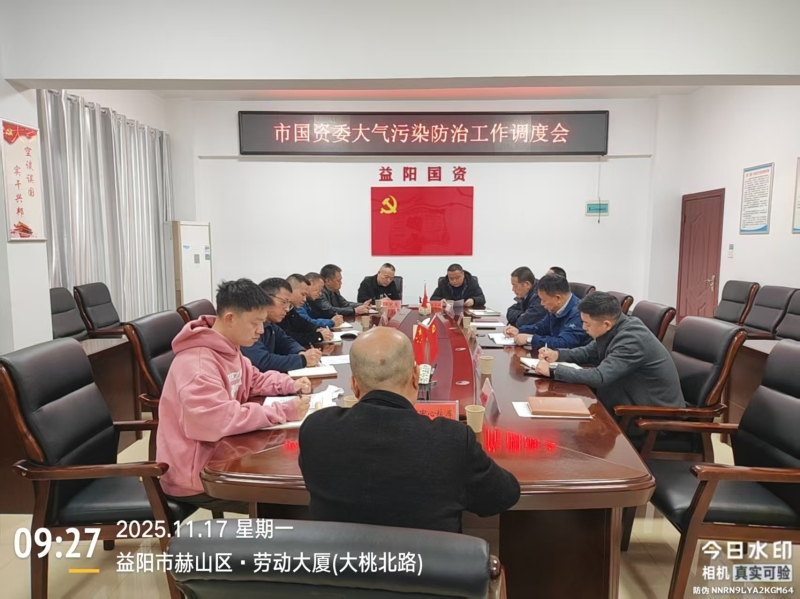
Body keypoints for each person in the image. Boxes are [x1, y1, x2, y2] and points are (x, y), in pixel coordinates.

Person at [299, 327, 520, 534]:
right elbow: (503, 496)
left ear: (354, 385)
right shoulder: (451, 440)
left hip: (337, 562)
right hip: (428, 563)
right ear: (416, 377)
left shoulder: (316, 429)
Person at [156, 279, 312, 513]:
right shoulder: (197, 364)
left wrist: (289, 383)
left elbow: (253, 379)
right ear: (230, 318)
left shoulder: (229, 347)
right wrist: (284, 410)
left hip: (226, 450)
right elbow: (217, 420)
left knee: (295, 474)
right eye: (255, 323)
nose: (261, 331)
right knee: (289, 502)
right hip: (197, 475)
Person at [535, 291, 685, 413]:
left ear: (606, 324)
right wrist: (557, 355)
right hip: (626, 400)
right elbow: (588, 352)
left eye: (587, 323)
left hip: (652, 415)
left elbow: (600, 377)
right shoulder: (617, 326)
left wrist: (554, 370)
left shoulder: (632, 339)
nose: (583, 328)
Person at [241, 278, 322, 373]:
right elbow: (262, 361)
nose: (287, 309)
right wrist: (303, 360)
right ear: (266, 299)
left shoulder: (270, 324)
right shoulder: (247, 326)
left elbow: (287, 341)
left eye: (289, 304)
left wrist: (301, 352)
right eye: (284, 302)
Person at [504, 274, 590, 350]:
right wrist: (519, 330)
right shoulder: (555, 309)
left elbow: (564, 343)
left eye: (544, 300)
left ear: (558, 298)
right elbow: (542, 327)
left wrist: (530, 339)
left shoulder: (579, 313)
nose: (541, 304)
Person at [279, 274, 335, 346]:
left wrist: (316, 329)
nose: (304, 299)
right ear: (290, 290)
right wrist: (318, 336)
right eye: (303, 294)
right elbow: (288, 337)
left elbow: (302, 323)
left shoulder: (291, 308)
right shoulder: (279, 310)